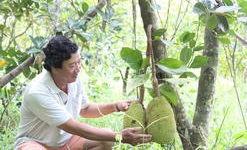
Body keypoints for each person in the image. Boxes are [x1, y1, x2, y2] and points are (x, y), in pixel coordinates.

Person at [14, 35, 152, 150]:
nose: (78, 68)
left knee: (106, 138)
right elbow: (74, 128)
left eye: (79, 62)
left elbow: (85, 109)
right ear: (55, 67)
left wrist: (116, 106)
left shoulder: (73, 78)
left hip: (66, 142)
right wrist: (119, 136)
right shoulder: (37, 92)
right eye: (72, 65)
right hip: (36, 143)